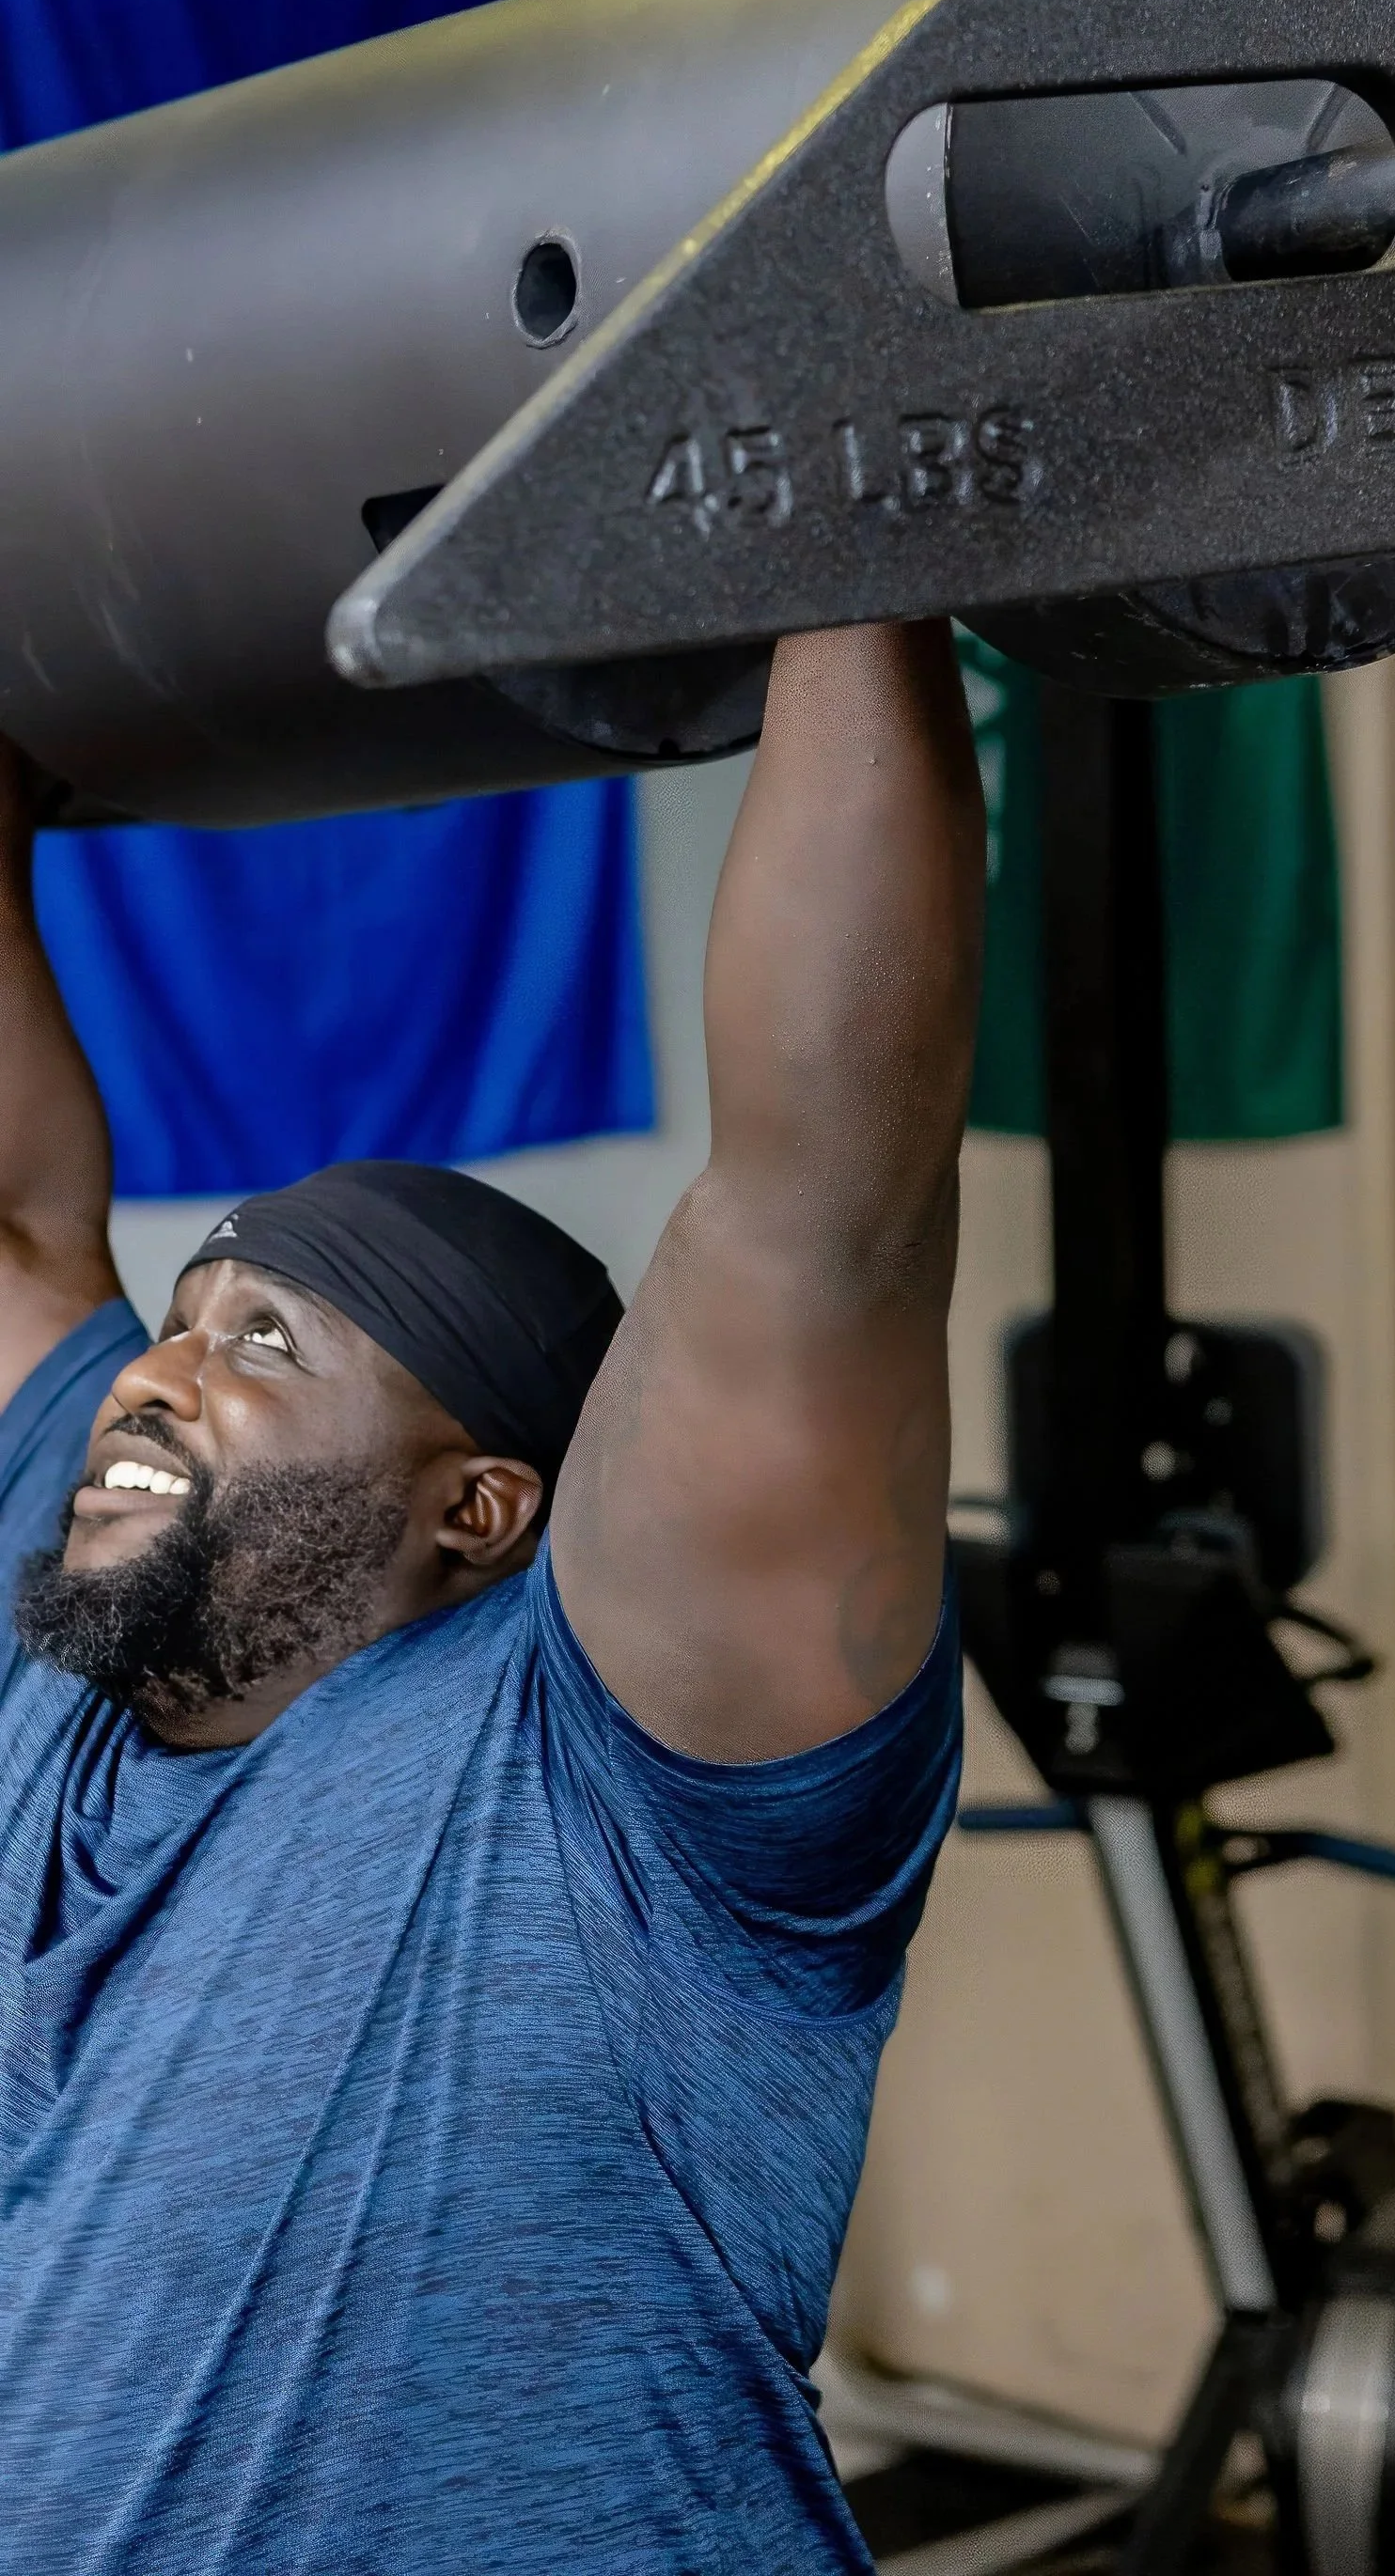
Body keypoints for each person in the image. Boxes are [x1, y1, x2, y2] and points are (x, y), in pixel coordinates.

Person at [0, 622, 986, 2573]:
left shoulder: (612, 1802)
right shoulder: (76, 1664)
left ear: (482, 1504)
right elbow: (16, 1224)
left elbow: (822, 1204)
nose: (154, 1370)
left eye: (260, 1341)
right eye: (180, 1321)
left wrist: (859, 535)